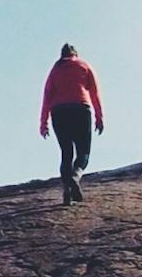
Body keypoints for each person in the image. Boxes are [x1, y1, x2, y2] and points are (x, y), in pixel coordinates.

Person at [39, 43, 104, 203]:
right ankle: (75, 176)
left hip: (59, 112)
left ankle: (67, 190)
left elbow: (46, 95)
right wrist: (99, 117)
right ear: (76, 54)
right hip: (80, 109)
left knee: (66, 153)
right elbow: (94, 92)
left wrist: (43, 123)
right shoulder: (84, 66)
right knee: (84, 153)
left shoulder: (55, 70)